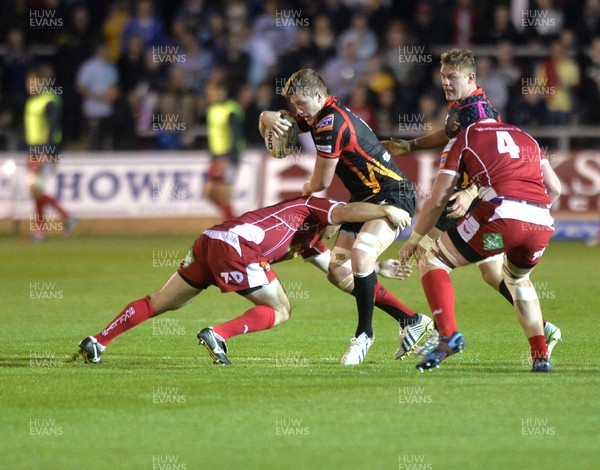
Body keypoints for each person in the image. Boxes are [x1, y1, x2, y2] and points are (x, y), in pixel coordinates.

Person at [72, 195, 412, 366]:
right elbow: (349, 211)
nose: (342, 233)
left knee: (162, 300)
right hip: (236, 246)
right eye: (343, 228)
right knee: (280, 308)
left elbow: (338, 272)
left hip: (209, 240)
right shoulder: (313, 207)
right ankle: (217, 335)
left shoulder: (310, 242)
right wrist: (384, 211)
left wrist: (376, 268)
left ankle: (98, 341)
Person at [382, 49, 562, 353]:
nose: (446, 82)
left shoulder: (479, 113)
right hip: (476, 199)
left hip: (471, 200)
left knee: (431, 256)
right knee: (492, 273)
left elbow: (493, 158)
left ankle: (432, 331)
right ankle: (541, 327)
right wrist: (411, 146)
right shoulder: (465, 107)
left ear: (470, 77)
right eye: (443, 76)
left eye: (452, 77)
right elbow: (450, 134)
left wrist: (470, 194)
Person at [259, 68, 430, 365]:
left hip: (393, 196)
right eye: (295, 105)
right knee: (338, 271)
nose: (298, 111)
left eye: (301, 104)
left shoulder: (329, 123)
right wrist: (267, 116)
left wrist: (303, 194)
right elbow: (276, 120)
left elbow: (321, 183)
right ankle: (410, 319)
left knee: (362, 257)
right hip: (364, 198)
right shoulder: (317, 114)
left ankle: (364, 335)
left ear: (318, 96)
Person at [398, 112, 562, 373]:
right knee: (517, 281)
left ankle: (448, 335)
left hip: (501, 220)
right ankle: (541, 356)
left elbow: (438, 198)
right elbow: (555, 188)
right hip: (540, 223)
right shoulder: (525, 137)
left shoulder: (465, 137)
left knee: (433, 258)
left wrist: (415, 239)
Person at [25, 64, 77, 242]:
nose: (29, 85)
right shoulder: (33, 101)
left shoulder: (49, 100)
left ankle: (64, 219)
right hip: (33, 150)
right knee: (36, 192)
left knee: (35, 190)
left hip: (44, 151)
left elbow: (53, 128)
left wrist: (47, 152)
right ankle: (44, 230)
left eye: (32, 82)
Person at [204, 81, 244, 221]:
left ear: (223, 92)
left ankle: (231, 224)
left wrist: (230, 158)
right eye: (210, 93)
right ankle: (233, 219)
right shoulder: (211, 110)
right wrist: (212, 156)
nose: (212, 96)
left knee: (224, 194)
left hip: (228, 157)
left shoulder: (231, 109)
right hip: (216, 157)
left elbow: (236, 136)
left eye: (214, 93)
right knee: (209, 193)